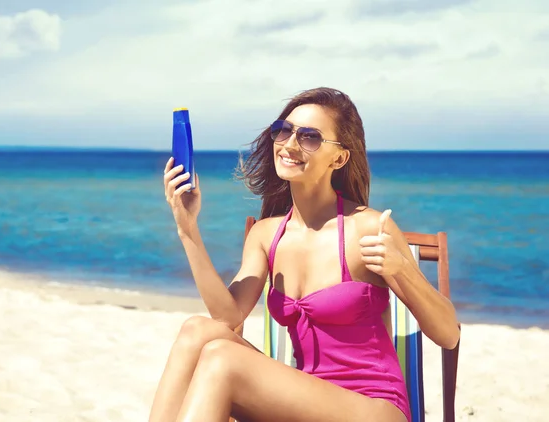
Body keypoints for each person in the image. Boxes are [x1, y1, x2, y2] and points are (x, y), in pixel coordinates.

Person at [150, 87, 460, 422]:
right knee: (198, 330)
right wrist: (187, 228)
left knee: (222, 358)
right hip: (302, 402)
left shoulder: (366, 227)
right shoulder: (267, 235)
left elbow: (448, 334)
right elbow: (228, 319)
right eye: (284, 131)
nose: (290, 144)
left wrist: (402, 270)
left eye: (310, 137)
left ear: (339, 158)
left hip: (371, 406)